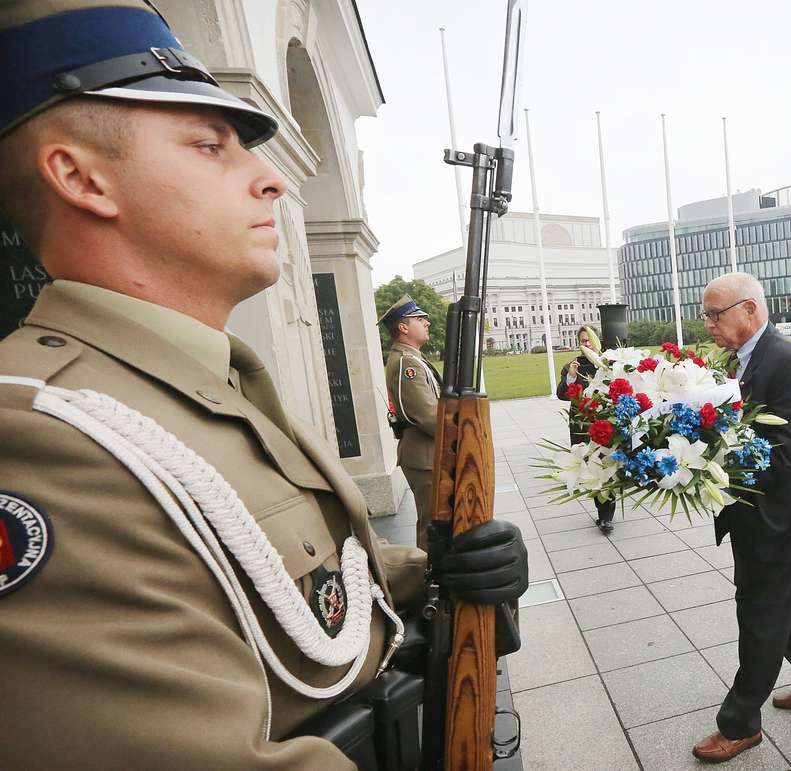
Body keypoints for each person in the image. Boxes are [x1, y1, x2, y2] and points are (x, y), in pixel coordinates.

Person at [0, 3, 527, 768]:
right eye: (210, 146)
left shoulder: (215, 378)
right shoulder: (39, 435)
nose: (273, 181)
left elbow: (285, 578)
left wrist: (426, 571)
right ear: (81, 178)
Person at [692, 272, 791, 764]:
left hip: (781, 519)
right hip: (753, 516)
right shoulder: (739, 360)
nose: (709, 323)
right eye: (707, 315)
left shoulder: (788, 361)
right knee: (780, 607)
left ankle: (739, 724)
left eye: (716, 314)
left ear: (750, 310)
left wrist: (716, 463)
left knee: (760, 616)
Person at [380, 295, 441, 550]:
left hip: (426, 453)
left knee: (437, 521)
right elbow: (427, 416)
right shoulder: (407, 363)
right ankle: (430, 581)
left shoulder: (412, 357)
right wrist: (461, 434)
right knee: (433, 525)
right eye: (419, 319)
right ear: (403, 327)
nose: (426, 323)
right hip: (424, 455)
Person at [556, 324, 616, 534]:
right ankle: (602, 511)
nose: (587, 344)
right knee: (591, 469)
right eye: (583, 341)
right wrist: (571, 377)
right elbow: (562, 394)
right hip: (582, 425)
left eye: (590, 339)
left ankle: (606, 516)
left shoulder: (609, 362)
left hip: (605, 424)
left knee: (607, 466)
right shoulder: (572, 366)